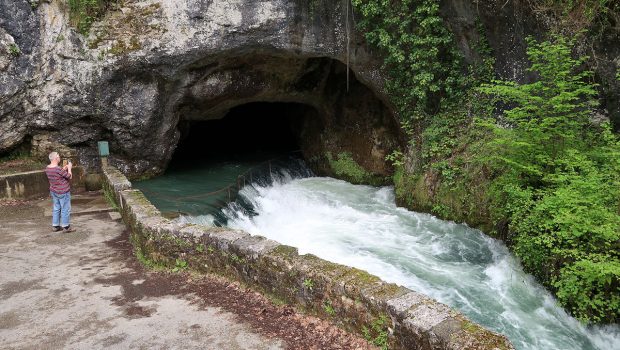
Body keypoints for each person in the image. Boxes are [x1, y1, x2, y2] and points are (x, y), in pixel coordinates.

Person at [45, 152, 75, 232]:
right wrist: (69, 168)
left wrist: (63, 169)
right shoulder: (57, 169)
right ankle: (66, 227)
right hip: (63, 191)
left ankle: (55, 226)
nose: (59, 158)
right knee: (65, 208)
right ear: (55, 158)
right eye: (58, 156)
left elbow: (57, 174)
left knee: (56, 208)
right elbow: (69, 176)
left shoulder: (47, 168)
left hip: (54, 191)